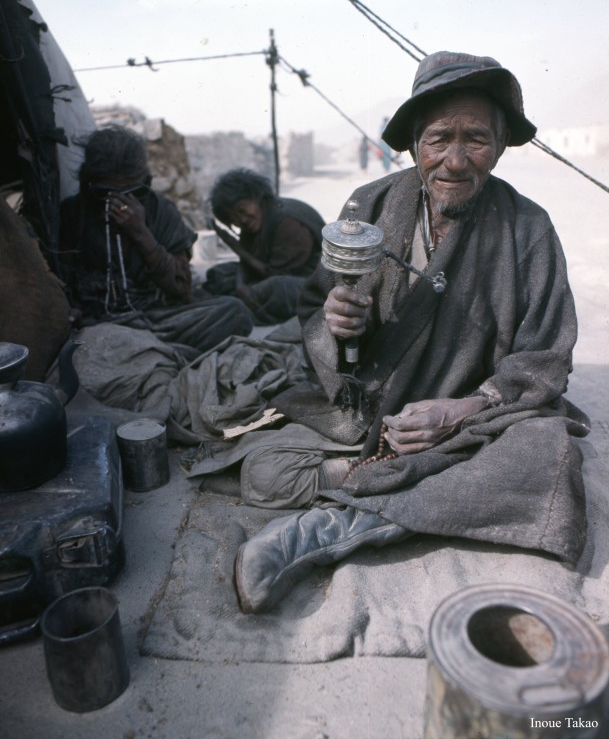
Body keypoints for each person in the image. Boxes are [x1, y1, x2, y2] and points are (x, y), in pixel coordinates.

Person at [232, 51, 590, 614]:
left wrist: (463, 409)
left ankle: (341, 524)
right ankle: (373, 476)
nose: (455, 161)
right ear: (415, 143)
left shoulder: (529, 227)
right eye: (439, 138)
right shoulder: (370, 205)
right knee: (263, 471)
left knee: (548, 456)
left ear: (500, 145)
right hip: (370, 410)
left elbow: (544, 356)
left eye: (476, 139)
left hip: (470, 422)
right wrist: (338, 326)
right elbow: (315, 306)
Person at [58, 125, 253, 355]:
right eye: (107, 193)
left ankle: (146, 351)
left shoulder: (161, 211)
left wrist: (141, 233)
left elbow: (182, 289)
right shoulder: (72, 214)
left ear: (146, 183)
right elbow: (61, 282)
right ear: (89, 185)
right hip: (99, 323)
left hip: (158, 320)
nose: (121, 203)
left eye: (133, 192)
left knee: (234, 312)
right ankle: (156, 352)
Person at [204, 168, 325, 325]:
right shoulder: (256, 220)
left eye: (242, 210)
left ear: (256, 196)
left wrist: (237, 248)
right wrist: (240, 285)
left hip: (310, 282)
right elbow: (245, 262)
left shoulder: (288, 222)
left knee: (277, 287)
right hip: (271, 273)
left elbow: (275, 274)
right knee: (219, 273)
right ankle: (238, 302)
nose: (242, 220)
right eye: (234, 218)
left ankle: (236, 307)